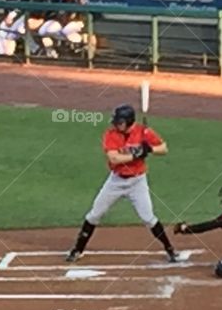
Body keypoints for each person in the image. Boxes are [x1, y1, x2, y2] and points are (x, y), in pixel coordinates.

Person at [66, 104, 178, 263]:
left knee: (148, 217)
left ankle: (170, 250)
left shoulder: (143, 132)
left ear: (129, 121)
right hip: (116, 181)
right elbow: (114, 158)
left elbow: (164, 148)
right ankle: (78, 249)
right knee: (95, 214)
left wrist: (149, 150)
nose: (116, 124)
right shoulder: (111, 134)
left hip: (138, 182)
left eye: (120, 121)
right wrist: (137, 154)